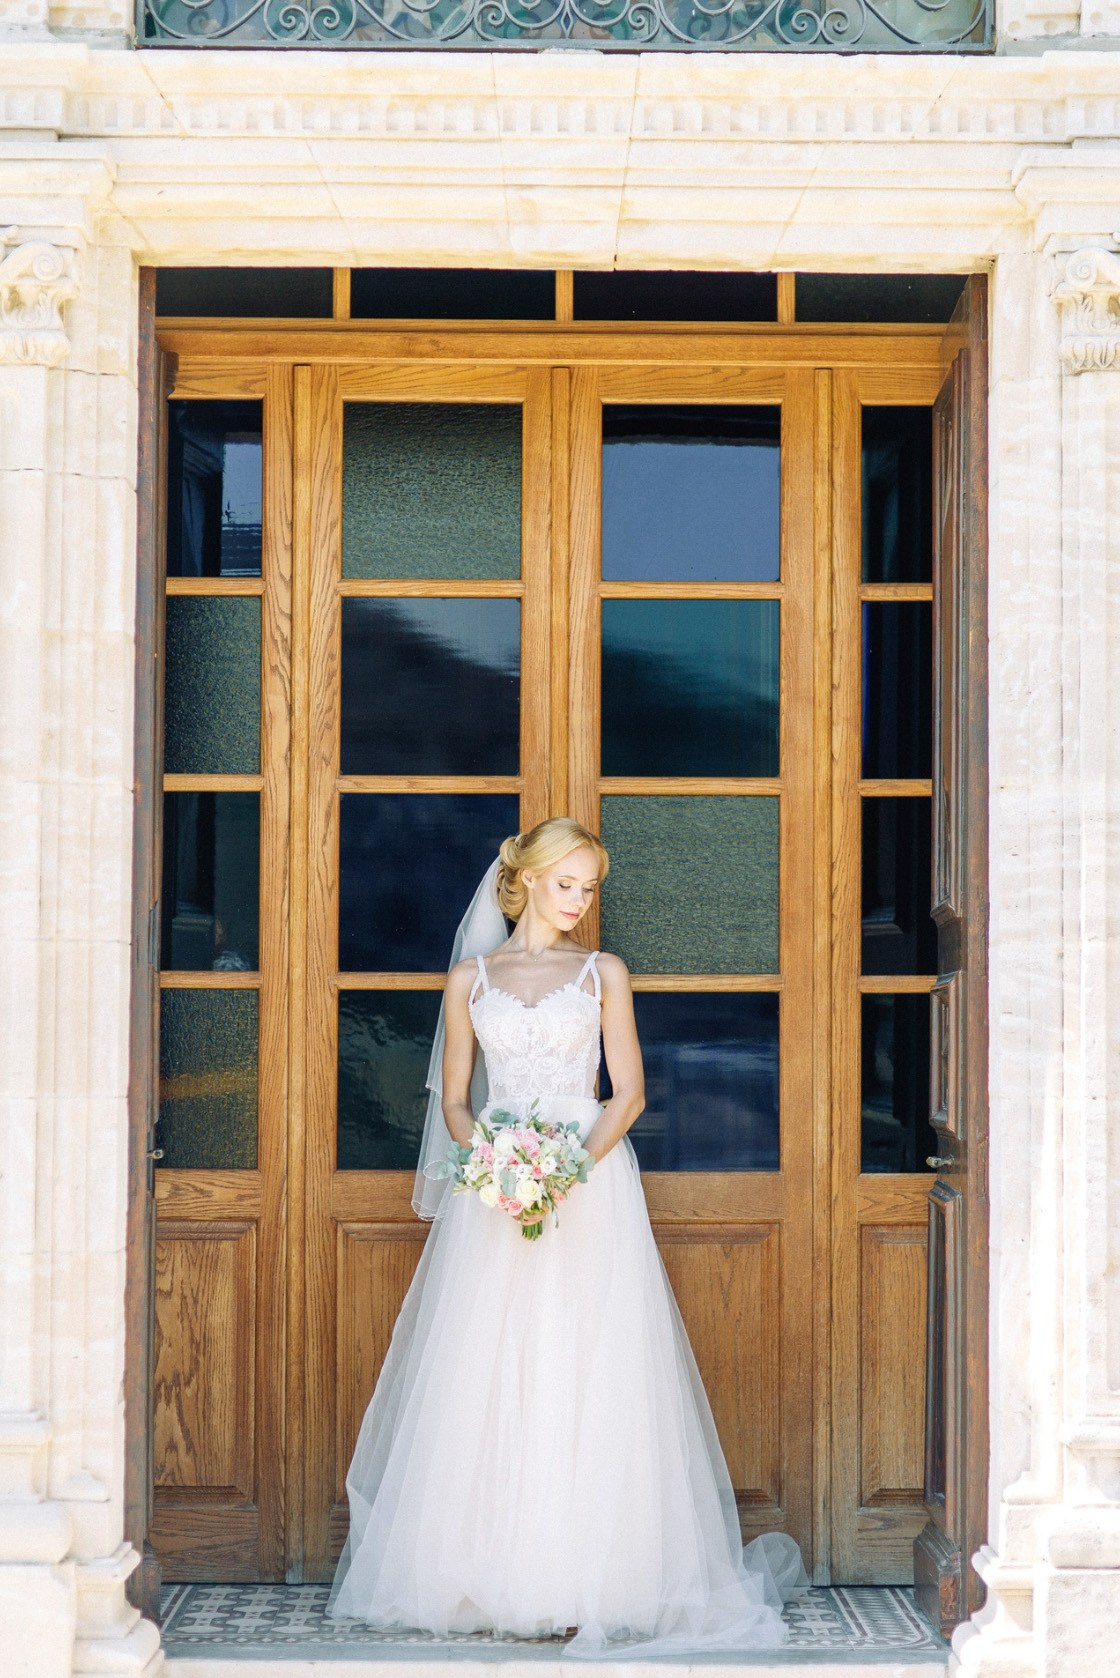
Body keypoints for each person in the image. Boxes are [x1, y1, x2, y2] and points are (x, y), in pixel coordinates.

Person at [327, 817, 808, 1656]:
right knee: (493, 1367)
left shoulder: (602, 974)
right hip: (499, 1192)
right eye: (567, 884)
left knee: (593, 1368)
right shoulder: (471, 979)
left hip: (588, 1183)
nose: (580, 902)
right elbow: (452, 1102)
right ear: (527, 881)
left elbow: (627, 1097)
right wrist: (497, 1168)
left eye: (590, 888)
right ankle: (487, 1572)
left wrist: (564, 1171)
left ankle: (601, 1576)